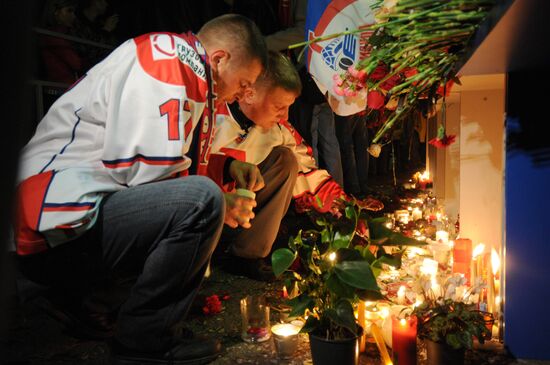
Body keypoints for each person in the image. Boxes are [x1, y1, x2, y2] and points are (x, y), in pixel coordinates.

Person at [14, 14, 267, 365]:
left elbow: (168, 165)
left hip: (63, 215)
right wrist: (222, 201)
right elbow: (151, 177)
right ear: (221, 59)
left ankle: (85, 302)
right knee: (202, 202)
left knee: (200, 200)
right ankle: (145, 342)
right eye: (245, 81)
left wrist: (226, 166)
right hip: (49, 220)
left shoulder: (189, 68)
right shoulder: (169, 58)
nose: (245, 92)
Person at [211, 51, 382, 281]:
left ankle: (247, 254)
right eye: (279, 106)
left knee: (286, 159)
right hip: (205, 211)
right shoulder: (212, 117)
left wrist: (346, 211)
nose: (285, 115)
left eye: (289, 106)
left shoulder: (278, 128)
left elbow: (308, 170)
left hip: (241, 211)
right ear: (249, 94)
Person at [39, 0, 86, 85]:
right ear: (56, 12)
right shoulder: (52, 35)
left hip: (65, 87)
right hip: (58, 89)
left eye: (73, 12)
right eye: (69, 11)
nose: (73, 16)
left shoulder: (64, 33)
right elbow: (77, 64)